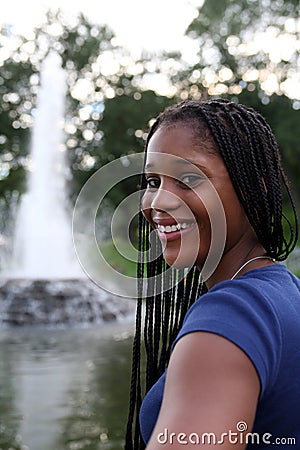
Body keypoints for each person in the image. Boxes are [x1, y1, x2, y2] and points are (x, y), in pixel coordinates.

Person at [125, 99, 300, 449]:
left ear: (256, 187)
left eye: (189, 178)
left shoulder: (233, 313)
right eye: (153, 181)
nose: (159, 201)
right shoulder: (284, 292)